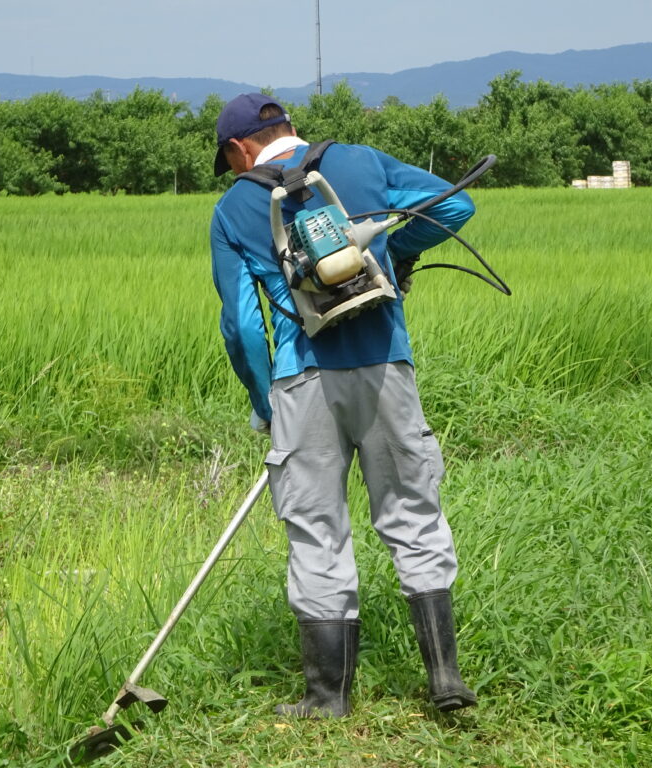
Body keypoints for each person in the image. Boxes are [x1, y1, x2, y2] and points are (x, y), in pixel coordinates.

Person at [209, 92, 477, 717]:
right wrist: (395, 255)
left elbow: (243, 327)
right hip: (387, 366)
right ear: (290, 129)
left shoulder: (233, 207)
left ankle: (327, 698)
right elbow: (457, 203)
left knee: (317, 530)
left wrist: (264, 401)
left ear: (237, 149)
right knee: (412, 512)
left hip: (302, 382)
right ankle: (444, 680)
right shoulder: (359, 161)